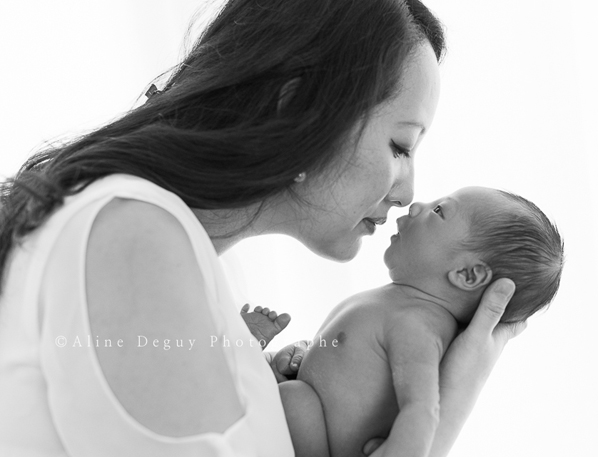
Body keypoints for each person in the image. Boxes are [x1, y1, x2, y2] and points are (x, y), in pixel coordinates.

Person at [0, 1, 528, 455]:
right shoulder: (136, 236)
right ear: (299, 107)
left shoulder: (180, 265)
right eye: (400, 146)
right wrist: (448, 410)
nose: (408, 193)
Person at [242, 186, 564, 457]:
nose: (415, 207)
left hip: (318, 438)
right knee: (280, 385)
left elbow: (422, 409)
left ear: (467, 274)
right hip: (308, 409)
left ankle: (244, 361)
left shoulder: (419, 327)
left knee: (292, 401)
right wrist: (304, 356)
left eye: (439, 211)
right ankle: (252, 360)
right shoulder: (399, 302)